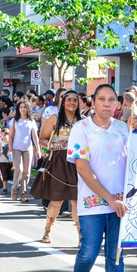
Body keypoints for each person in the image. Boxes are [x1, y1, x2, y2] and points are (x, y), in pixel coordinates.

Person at [66, 84, 131, 272]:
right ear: (92, 102)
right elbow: (82, 168)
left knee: (116, 257)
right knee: (89, 253)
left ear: (118, 104)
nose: (107, 103)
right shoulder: (80, 129)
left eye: (112, 99)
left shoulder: (124, 129)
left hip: (119, 206)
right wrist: (109, 198)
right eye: (101, 99)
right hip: (92, 204)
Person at [32, 90, 81, 244]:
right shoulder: (54, 118)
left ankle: (81, 235)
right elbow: (42, 139)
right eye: (69, 99)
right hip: (58, 161)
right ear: (63, 101)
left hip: (77, 162)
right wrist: (54, 145)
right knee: (56, 200)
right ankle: (47, 231)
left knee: (76, 200)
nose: (72, 102)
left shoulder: (83, 120)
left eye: (75, 99)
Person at [9, 99, 39, 202]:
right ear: (18, 109)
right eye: (21, 107)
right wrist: (10, 149)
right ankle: (14, 190)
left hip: (28, 148)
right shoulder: (14, 120)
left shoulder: (31, 121)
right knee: (19, 169)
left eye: (25, 107)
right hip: (16, 148)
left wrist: (38, 150)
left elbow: (35, 137)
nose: (23, 109)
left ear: (28, 109)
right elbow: (11, 136)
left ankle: (24, 193)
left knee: (26, 172)